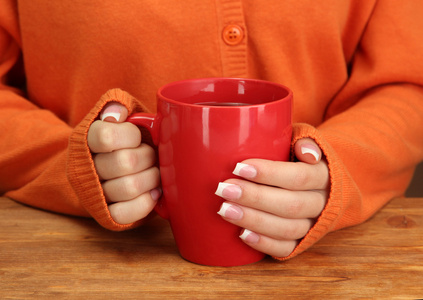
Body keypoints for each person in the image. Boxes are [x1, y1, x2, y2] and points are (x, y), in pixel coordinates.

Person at [1, 1, 422, 261]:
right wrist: (73, 166)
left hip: (340, 266)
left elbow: (406, 85)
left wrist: (335, 167)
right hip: (85, 260)